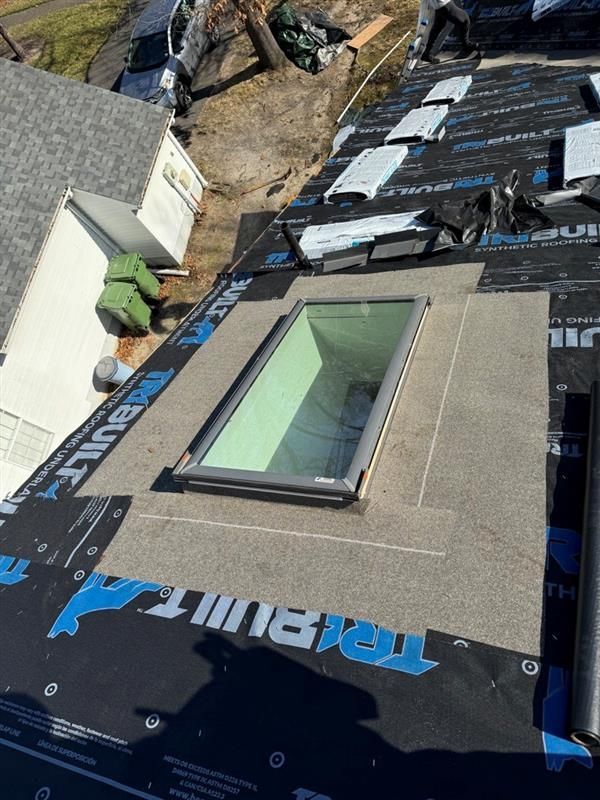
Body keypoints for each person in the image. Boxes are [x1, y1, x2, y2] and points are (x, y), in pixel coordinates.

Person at [421, 0, 479, 64]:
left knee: (438, 27)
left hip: (438, 5)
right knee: (465, 20)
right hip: (444, 4)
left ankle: (427, 53)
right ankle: (466, 46)